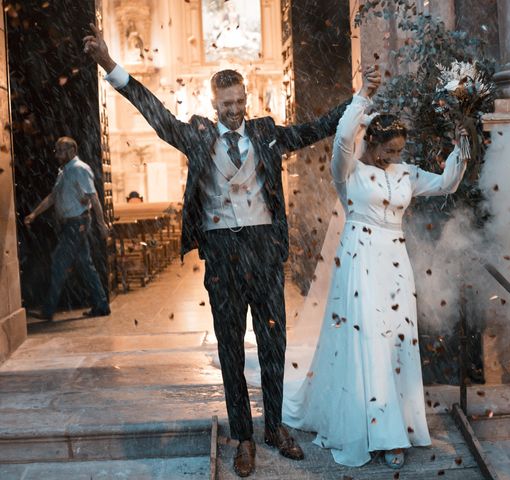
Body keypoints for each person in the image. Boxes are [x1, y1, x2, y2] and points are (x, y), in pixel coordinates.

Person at [82, 24, 360, 478]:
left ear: (247, 99)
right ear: (214, 104)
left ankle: (274, 428)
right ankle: (244, 438)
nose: (234, 111)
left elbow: (316, 128)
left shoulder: (268, 133)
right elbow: (155, 114)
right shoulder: (197, 136)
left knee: (274, 344)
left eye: (239, 103)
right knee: (230, 347)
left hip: (265, 251)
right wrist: (111, 66)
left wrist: (357, 100)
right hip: (222, 254)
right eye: (226, 105)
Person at [282, 66, 468, 469]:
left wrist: (462, 140)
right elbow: (343, 141)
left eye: (400, 150)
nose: (394, 157)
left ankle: (399, 422)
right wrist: (363, 94)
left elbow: (447, 183)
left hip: (396, 261)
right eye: (389, 150)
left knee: (398, 340)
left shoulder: (405, 173)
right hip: (359, 258)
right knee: (368, 339)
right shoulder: (348, 172)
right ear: (372, 143)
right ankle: (378, 434)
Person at [25, 136, 111, 321]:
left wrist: (101, 224)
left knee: (58, 262)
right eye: (56, 150)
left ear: (72, 150)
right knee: (85, 266)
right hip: (73, 224)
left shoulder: (79, 169)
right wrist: (34, 214)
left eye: (60, 150)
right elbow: (53, 197)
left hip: (77, 224)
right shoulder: (65, 171)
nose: (57, 154)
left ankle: (48, 310)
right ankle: (101, 304)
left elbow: (93, 197)